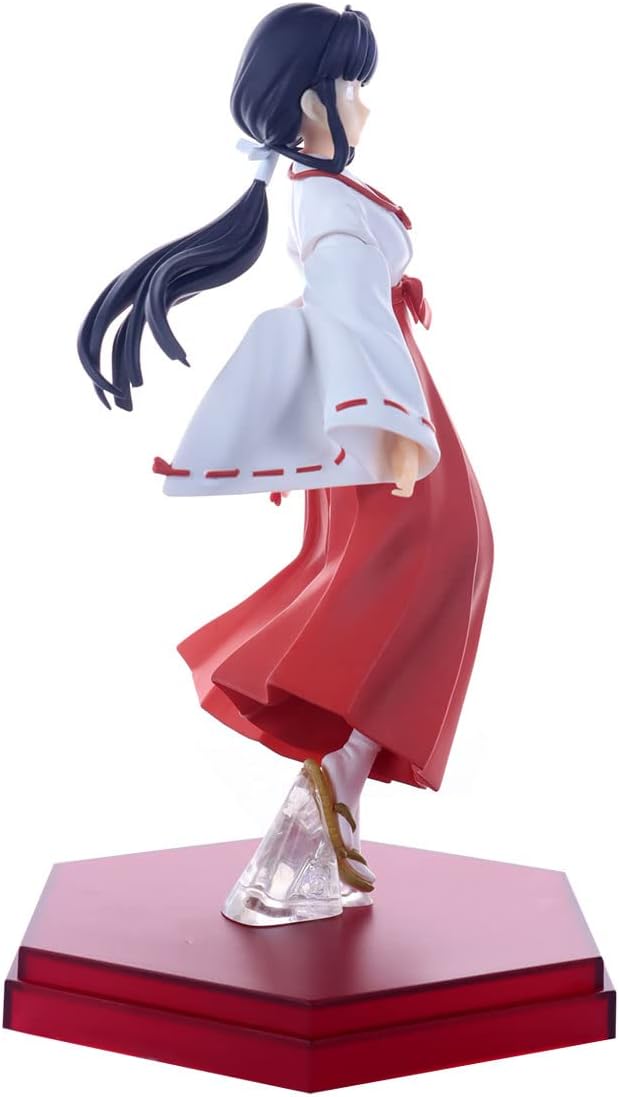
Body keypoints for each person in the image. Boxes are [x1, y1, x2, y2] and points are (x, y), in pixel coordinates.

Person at [78, 3, 494, 924]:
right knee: (407, 573)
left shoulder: (323, 191)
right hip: (384, 409)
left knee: (415, 576)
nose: (365, 106)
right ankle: (330, 777)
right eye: (352, 88)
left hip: (391, 399)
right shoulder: (327, 199)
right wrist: (388, 426)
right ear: (312, 103)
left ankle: (336, 791)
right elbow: (349, 315)